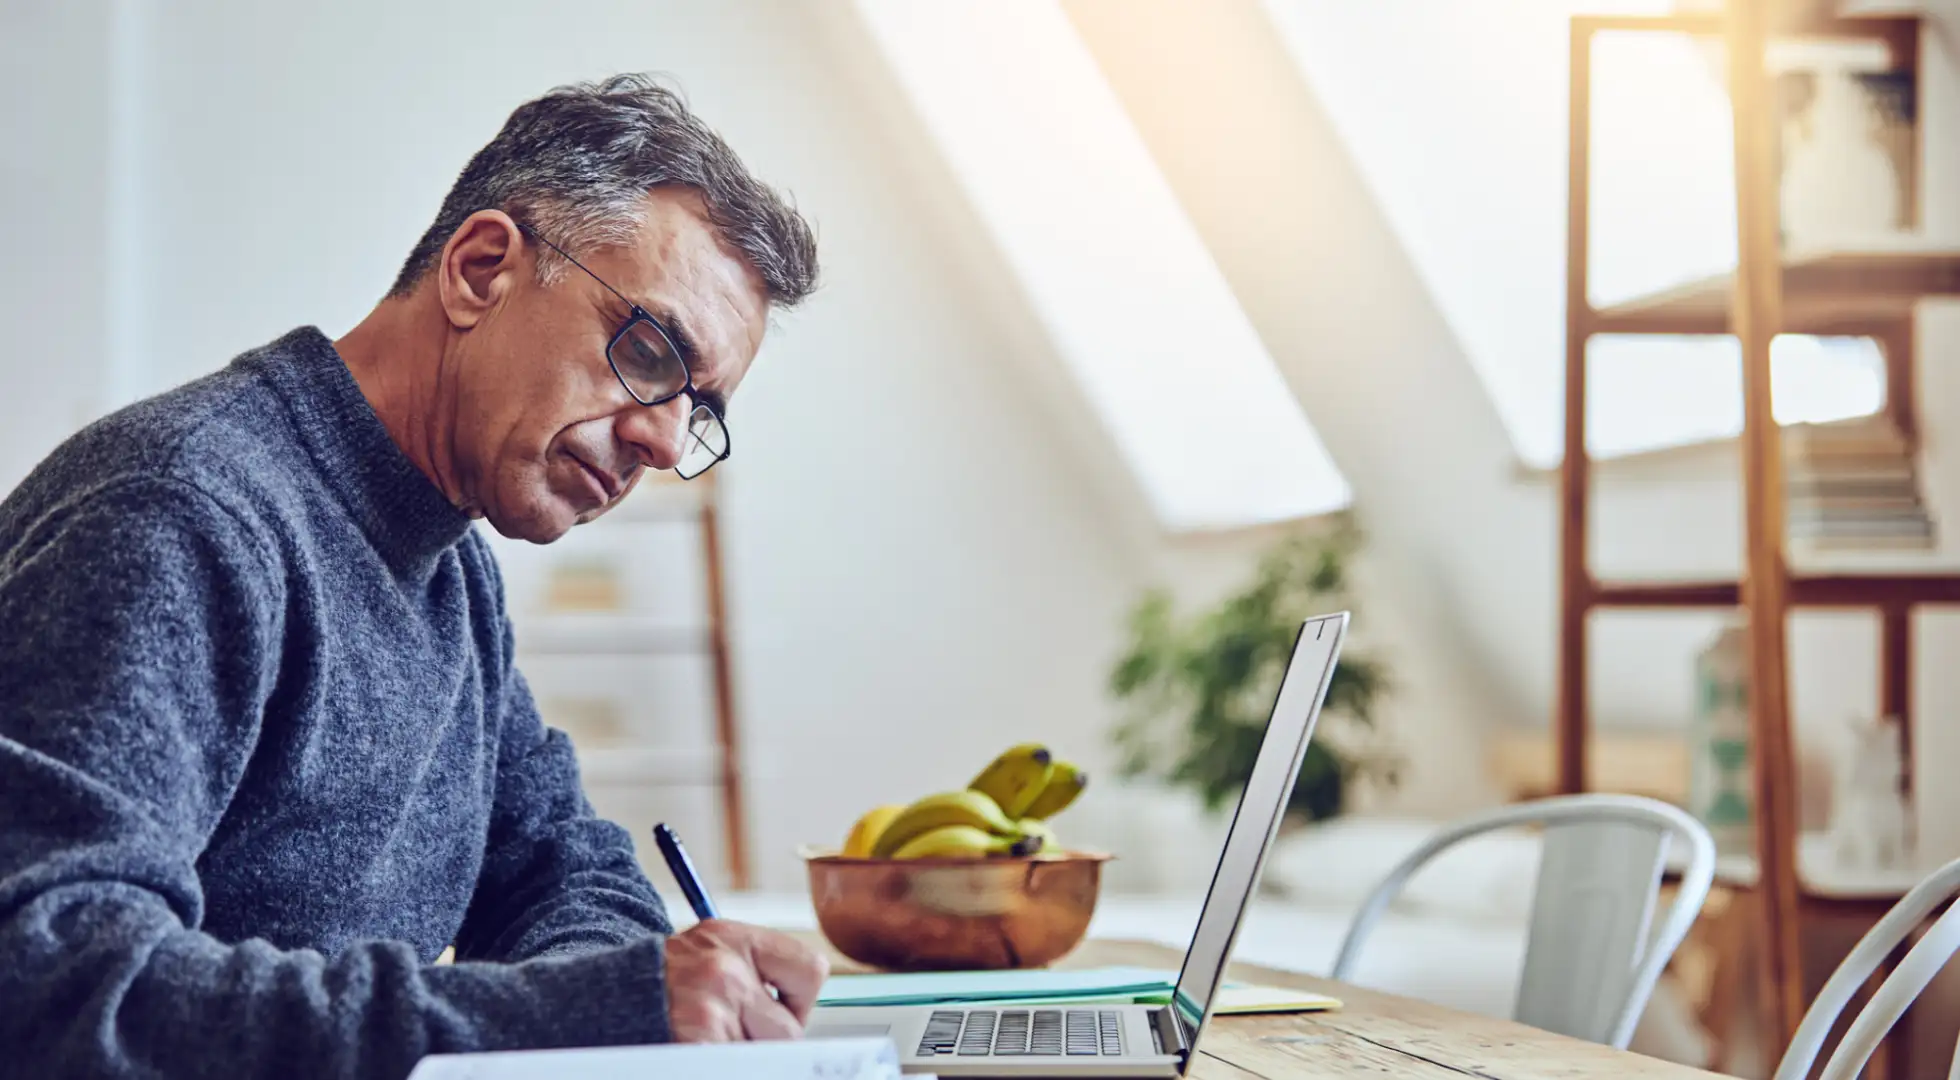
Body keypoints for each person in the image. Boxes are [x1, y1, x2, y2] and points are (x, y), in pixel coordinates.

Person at [0, 74, 829, 1079]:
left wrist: (591, 1014)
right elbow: (46, 986)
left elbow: (563, 872)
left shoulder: (449, 565)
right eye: (649, 352)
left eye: (698, 408)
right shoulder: (179, 512)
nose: (661, 441)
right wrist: (553, 1019)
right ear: (480, 269)